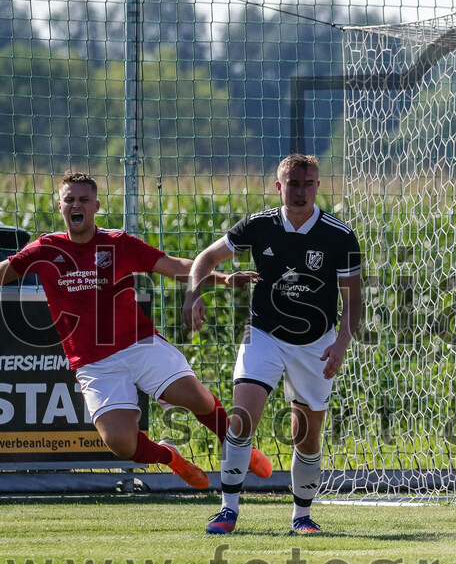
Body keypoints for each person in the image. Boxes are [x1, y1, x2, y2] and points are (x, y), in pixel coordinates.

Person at [0, 172, 271, 488]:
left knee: (194, 398)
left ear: (96, 205)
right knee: (121, 444)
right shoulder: (44, 249)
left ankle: (236, 446)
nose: (76, 205)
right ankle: (171, 457)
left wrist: (223, 279)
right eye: (69, 200)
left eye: (83, 199)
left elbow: (174, 266)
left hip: (139, 344)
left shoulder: (118, 243)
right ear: (60, 206)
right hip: (94, 364)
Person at [184, 154, 362, 535]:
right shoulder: (259, 225)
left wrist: (341, 343)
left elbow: (353, 300)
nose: (300, 192)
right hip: (263, 334)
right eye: (292, 184)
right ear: (279, 186)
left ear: (318, 186)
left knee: (306, 436)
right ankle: (227, 510)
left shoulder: (339, 235)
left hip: (316, 343)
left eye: (308, 184)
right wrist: (193, 293)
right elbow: (206, 257)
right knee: (242, 419)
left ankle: (302, 516)